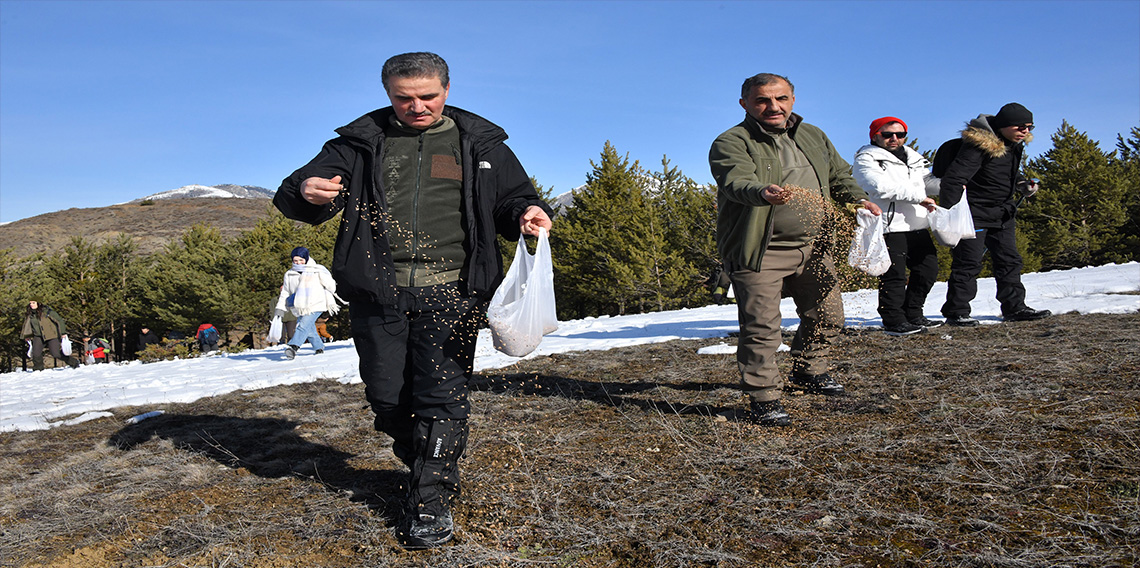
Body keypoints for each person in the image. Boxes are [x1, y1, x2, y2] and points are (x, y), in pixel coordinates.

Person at [274, 52, 553, 549]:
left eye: (428, 96)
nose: (417, 107)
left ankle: (431, 498)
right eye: (404, 98)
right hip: (378, 291)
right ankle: (432, 460)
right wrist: (306, 191)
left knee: (440, 395)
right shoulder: (359, 144)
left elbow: (513, 198)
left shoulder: (481, 144)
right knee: (386, 398)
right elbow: (297, 190)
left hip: (454, 291)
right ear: (388, 94)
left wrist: (528, 213)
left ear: (447, 89)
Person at [708, 73, 881, 427]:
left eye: (781, 98)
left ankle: (809, 371)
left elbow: (839, 175)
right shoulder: (732, 142)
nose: (774, 107)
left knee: (828, 317)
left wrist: (858, 199)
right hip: (760, 250)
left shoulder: (813, 135)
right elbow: (735, 181)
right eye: (762, 101)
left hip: (816, 246)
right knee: (762, 328)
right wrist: (762, 192)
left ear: (793, 98)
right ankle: (763, 398)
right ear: (745, 104)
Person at [938, 103, 1051, 326]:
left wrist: (1021, 183)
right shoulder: (978, 146)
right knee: (968, 263)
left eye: (1029, 126)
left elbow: (1003, 172)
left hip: (1003, 213)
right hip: (974, 214)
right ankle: (957, 311)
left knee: (1010, 261)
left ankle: (1015, 308)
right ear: (1004, 125)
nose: (1026, 131)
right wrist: (950, 215)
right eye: (1020, 126)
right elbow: (953, 179)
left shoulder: (1013, 144)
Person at [852, 117, 942, 336]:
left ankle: (913, 312)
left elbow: (927, 182)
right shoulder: (866, 158)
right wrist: (919, 198)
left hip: (917, 223)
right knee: (894, 275)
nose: (894, 139)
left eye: (900, 135)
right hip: (889, 225)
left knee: (928, 269)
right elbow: (879, 187)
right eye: (887, 134)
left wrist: (953, 185)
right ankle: (893, 319)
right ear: (874, 135)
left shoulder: (913, 157)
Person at [273, 247, 339, 360]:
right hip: (299, 306)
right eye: (295, 260)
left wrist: (344, 296)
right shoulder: (289, 274)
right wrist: (280, 308)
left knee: (302, 325)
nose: (298, 263)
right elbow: (285, 292)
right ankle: (319, 347)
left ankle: (293, 347)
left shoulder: (317, 270)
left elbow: (331, 285)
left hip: (316, 303)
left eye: (301, 260)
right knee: (308, 328)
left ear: (306, 258)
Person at [21, 300, 80, 370]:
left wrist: (63, 332)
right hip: (38, 336)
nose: (31, 305)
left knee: (56, 354)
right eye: (30, 303)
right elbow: (28, 325)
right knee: (35, 353)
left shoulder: (48, 312)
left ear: (39, 303)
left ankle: (74, 362)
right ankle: (38, 369)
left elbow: (59, 320)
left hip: (52, 335)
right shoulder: (31, 314)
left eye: (33, 303)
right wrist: (27, 336)